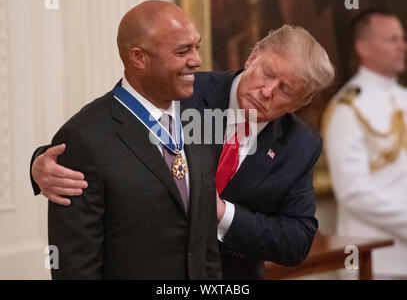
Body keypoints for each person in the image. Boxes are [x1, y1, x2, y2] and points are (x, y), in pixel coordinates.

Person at [31, 24, 335, 278]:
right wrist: (40, 163)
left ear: (300, 103)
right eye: (267, 73)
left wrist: (220, 213)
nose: (267, 91)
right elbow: (112, 127)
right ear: (253, 56)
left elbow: (295, 241)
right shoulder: (183, 91)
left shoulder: (300, 145)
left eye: (285, 90)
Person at [32, 0, 222, 279]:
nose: (196, 60)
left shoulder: (198, 121)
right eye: (183, 51)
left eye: (197, 47)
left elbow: (204, 248)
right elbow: (74, 266)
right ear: (138, 58)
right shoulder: (83, 139)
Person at [323, 9, 407, 279]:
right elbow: (353, 191)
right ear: (363, 47)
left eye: (402, 39)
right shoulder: (347, 107)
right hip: (376, 257)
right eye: (392, 40)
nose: (402, 46)